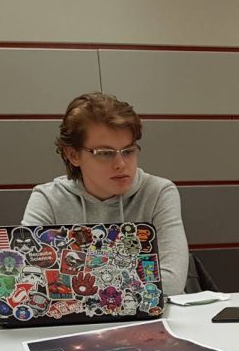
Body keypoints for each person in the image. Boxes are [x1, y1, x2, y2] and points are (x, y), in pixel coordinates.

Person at [22, 92, 189, 295]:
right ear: (73, 155)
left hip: (154, 314)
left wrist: (72, 286)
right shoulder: (47, 199)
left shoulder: (159, 192)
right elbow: (29, 279)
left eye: (128, 151)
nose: (121, 164)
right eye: (105, 154)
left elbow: (171, 283)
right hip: (77, 317)